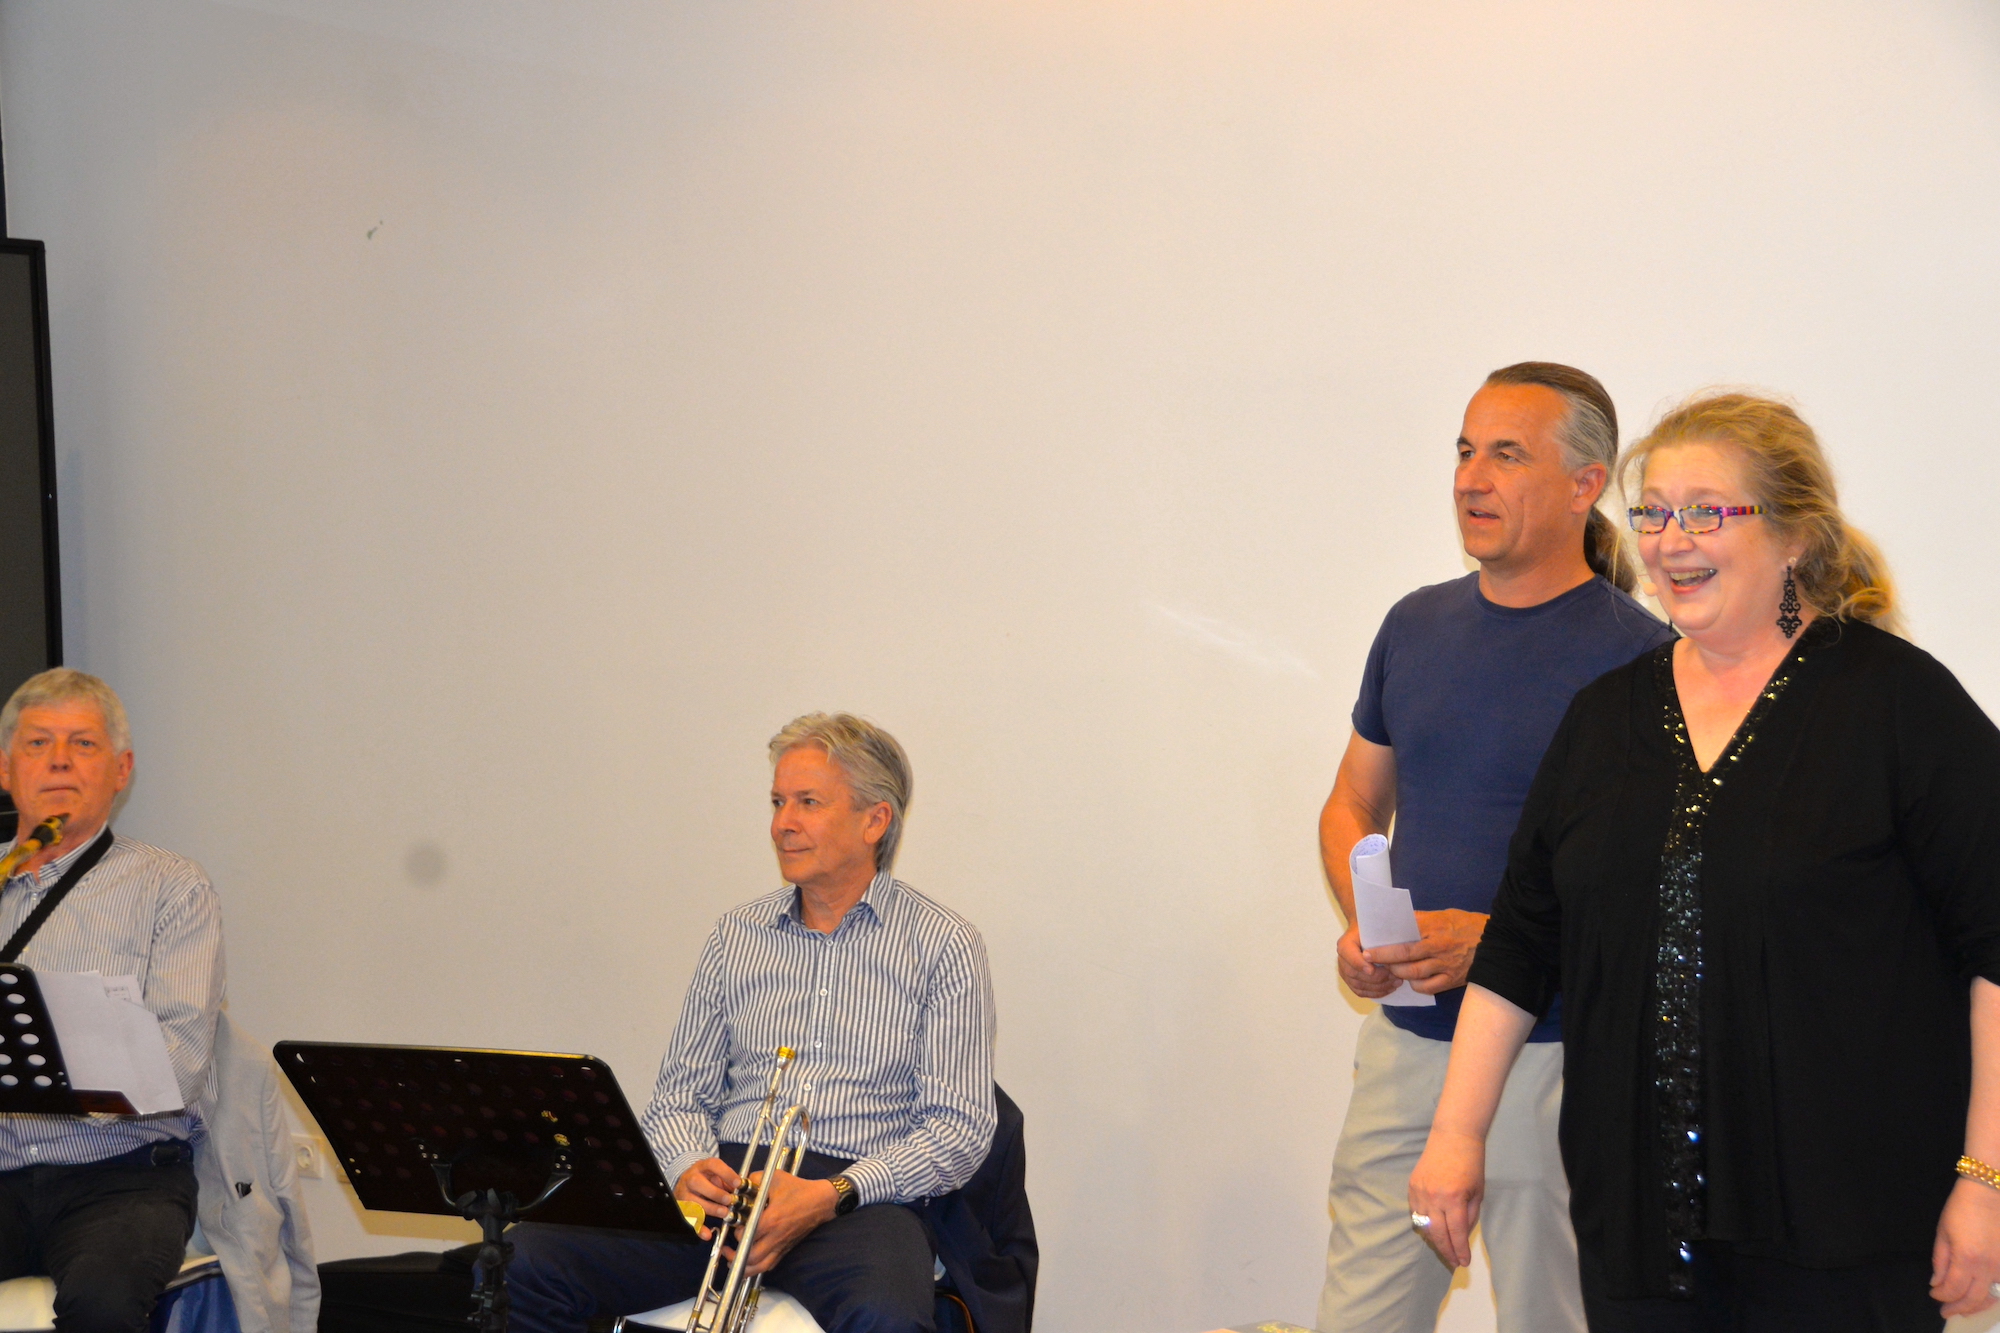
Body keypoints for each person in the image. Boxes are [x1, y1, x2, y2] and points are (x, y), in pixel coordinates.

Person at [1409, 392, 2000, 1331]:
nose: (1670, 540)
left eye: (1705, 511)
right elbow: (1521, 943)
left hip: (1850, 1231)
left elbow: (1994, 950)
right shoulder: (1603, 718)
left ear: (1794, 536)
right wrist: (1455, 1136)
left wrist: (1985, 1178)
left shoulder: (1899, 705)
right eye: (1652, 513)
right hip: (1638, 1231)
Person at [1317, 363, 1673, 1333]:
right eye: (1465, 451)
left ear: (1585, 483)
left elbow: (1658, 887)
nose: (1471, 477)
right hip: (1406, 1045)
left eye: (1506, 455)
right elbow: (1353, 800)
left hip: (1553, 1058)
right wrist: (1365, 919)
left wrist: (1499, 942)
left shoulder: (1644, 662)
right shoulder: (1413, 624)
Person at [507, 713, 997, 1333]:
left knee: (886, 1318)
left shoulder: (945, 945)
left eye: (808, 803)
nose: (782, 823)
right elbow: (679, 1098)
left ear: (875, 820)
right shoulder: (735, 935)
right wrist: (688, 1166)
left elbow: (960, 1129)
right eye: (777, 802)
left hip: (858, 1202)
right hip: (728, 1189)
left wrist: (831, 1194)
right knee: (527, 1260)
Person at [0, 668, 225, 1333]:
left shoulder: (172, 887)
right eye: (38, 742)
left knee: (101, 1301)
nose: (59, 759)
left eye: (83, 743)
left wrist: (63, 1062)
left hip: (121, 1178)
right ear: (6, 769)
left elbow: (181, 1064)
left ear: (121, 769)